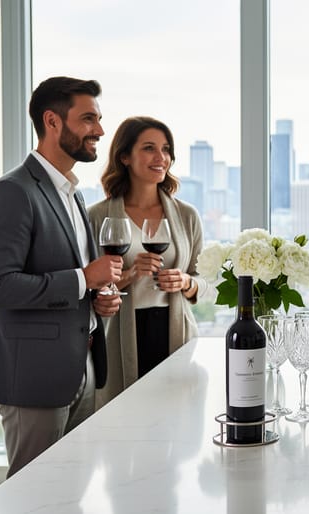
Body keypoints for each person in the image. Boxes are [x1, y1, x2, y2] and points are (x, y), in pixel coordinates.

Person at [0, 76, 123, 478]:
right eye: (88, 118)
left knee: (68, 489)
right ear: (53, 121)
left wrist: (98, 299)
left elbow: (81, 280)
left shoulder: (73, 193)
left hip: (82, 366)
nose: (99, 130)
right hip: (34, 377)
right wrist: (82, 278)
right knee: (30, 494)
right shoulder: (12, 192)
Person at [88, 116, 209, 408]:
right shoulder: (97, 216)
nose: (161, 158)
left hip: (174, 331)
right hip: (120, 334)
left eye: (166, 149)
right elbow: (88, 287)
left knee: (174, 428)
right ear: (125, 157)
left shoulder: (186, 215)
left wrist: (186, 282)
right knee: (125, 426)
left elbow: (206, 282)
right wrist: (129, 275)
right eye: (149, 148)